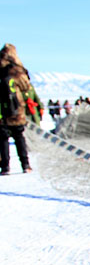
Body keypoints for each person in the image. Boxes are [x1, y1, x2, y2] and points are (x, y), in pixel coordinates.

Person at [0, 43, 35, 175]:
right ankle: (25, 165)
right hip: (16, 111)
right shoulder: (16, 69)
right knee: (19, 137)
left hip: (1, 112)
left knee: (2, 139)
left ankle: (5, 167)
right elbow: (26, 86)